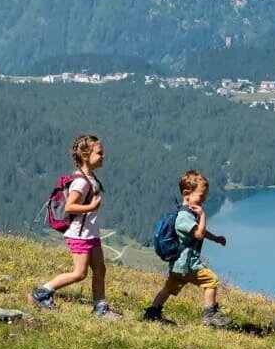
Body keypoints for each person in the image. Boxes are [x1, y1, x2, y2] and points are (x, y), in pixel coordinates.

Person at [30, 134, 122, 318]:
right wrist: (91, 207)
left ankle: (100, 307)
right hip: (79, 235)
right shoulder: (81, 182)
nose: (103, 156)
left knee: (100, 270)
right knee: (80, 273)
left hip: (90, 234)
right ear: (85, 155)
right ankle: (41, 293)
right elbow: (70, 206)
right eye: (100, 153)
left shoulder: (90, 178)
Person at [143, 170, 230, 328]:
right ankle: (209, 315)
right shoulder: (184, 217)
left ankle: (152, 312)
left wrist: (216, 238)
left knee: (168, 288)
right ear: (186, 193)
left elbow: (199, 232)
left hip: (178, 265)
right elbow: (198, 233)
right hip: (188, 265)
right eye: (201, 196)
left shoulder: (187, 214)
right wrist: (203, 215)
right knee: (211, 281)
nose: (204, 200)